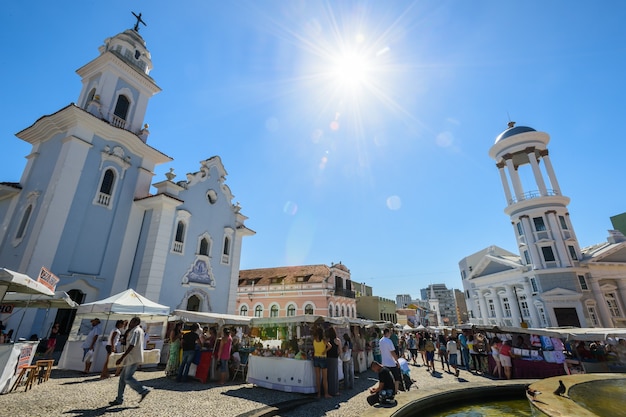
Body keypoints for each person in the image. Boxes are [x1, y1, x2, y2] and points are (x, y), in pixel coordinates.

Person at [109, 317, 150, 406]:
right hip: (130, 358)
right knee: (122, 379)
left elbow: (132, 345)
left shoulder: (136, 331)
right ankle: (119, 399)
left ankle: (143, 390)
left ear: (136, 322)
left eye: (132, 322)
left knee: (127, 378)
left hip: (133, 358)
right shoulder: (135, 330)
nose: (129, 323)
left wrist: (122, 357)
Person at [379, 328, 400, 393]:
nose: (390, 334)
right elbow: (392, 352)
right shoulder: (388, 341)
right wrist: (397, 361)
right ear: (387, 333)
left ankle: (387, 390)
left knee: (386, 378)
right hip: (391, 362)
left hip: (384, 362)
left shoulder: (381, 341)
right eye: (390, 332)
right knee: (396, 378)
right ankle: (395, 391)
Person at [312, 327, 331, 398]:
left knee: (317, 377)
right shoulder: (324, 340)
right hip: (323, 358)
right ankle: (326, 394)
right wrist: (324, 351)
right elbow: (329, 346)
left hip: (316, 357)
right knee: (324, 378)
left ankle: (318, 394)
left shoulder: (314, 340)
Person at [325, 327, 341, 396]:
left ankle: (328, 390)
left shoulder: (327, 340)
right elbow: (340, 350)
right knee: (334, 374)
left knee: (328, 375)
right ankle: (335, 391)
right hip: (334, 358)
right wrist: (338, 355)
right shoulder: (337, 340)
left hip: (327, 358)